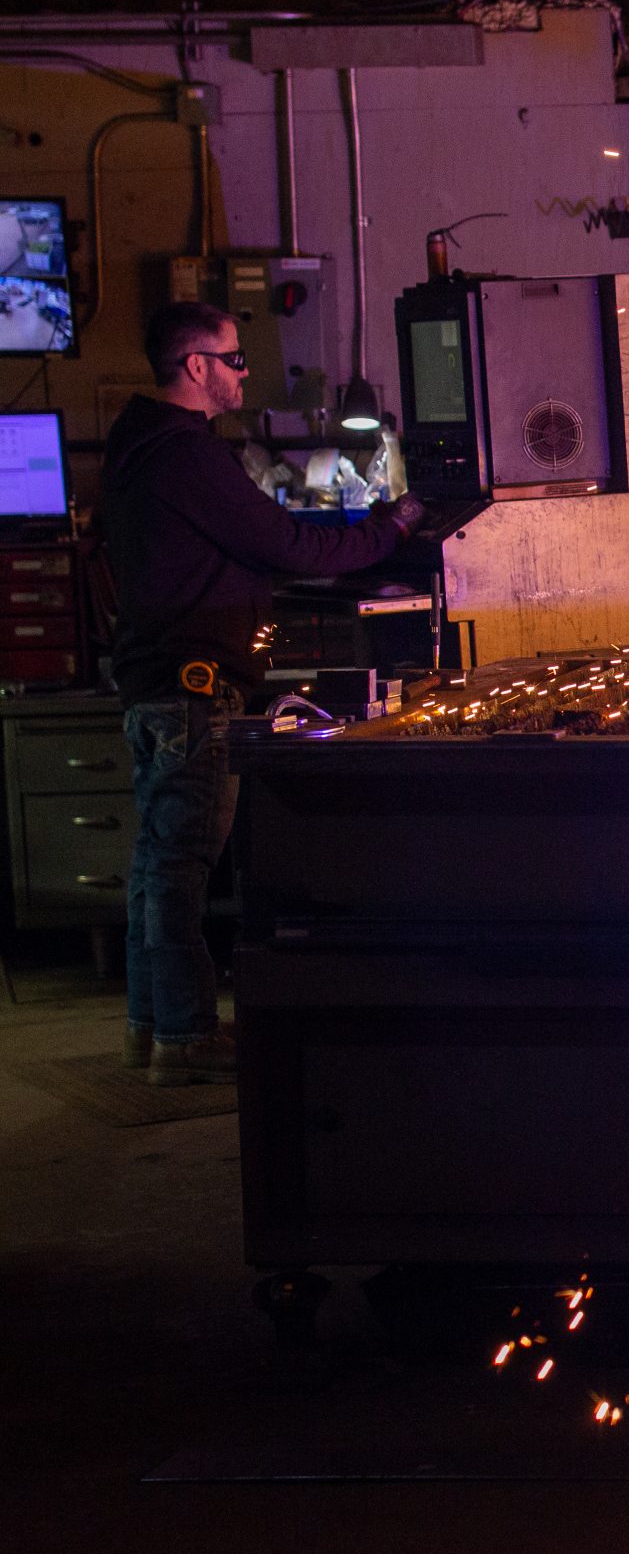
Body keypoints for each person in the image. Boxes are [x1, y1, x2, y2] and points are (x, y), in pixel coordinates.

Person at [101, 300, 426, 1086]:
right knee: (181, 868)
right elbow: (286, 543)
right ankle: (184, 1035)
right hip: (192, 693)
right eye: (235, 357)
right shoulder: (186, 455)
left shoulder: (136, 443)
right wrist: (396, 525)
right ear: (196, 366)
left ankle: (151, 1028)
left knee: (156, 866)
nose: (246, 370)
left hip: (156, 687)